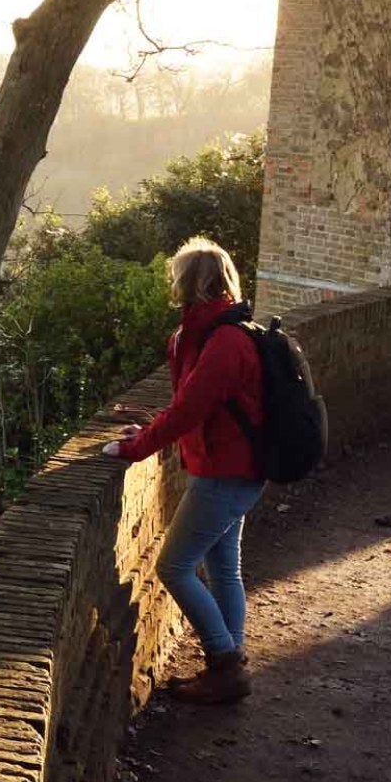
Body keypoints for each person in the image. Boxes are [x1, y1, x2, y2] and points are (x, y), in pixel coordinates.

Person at [103, 237, 263, 705]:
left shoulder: (225, 340)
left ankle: (224, 663)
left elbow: (189, 410)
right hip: (234, 467)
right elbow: (189, 405)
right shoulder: (215, 332)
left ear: (188, 284)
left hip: (227, 472)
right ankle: (231, 658)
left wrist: (135, 448)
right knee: (222, 566)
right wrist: (149, 426)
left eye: (176, 277)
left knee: (173, 565)